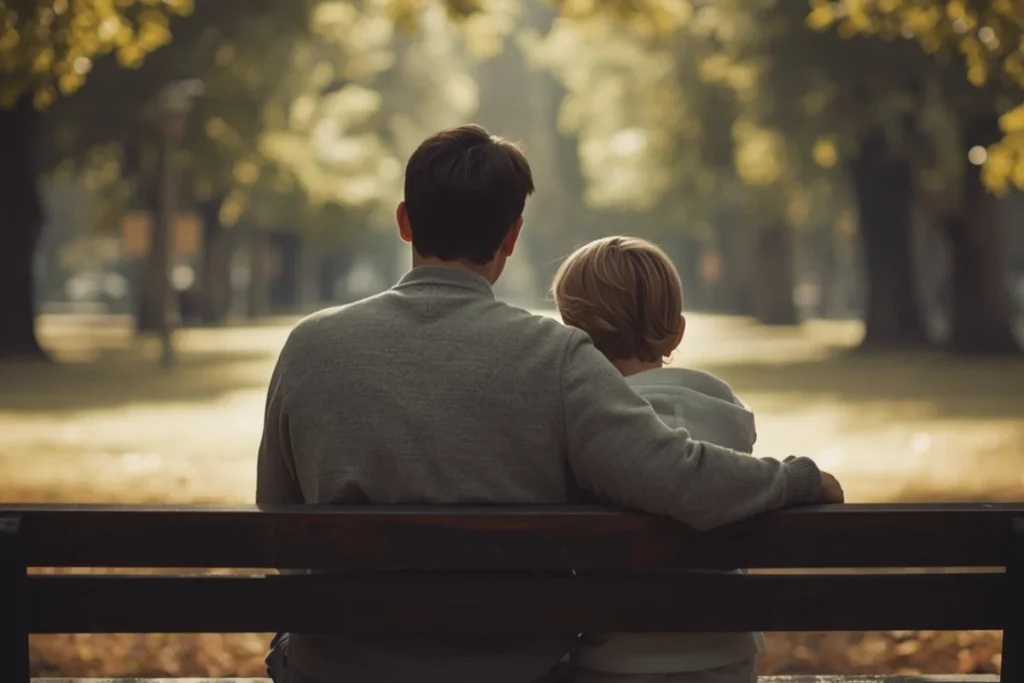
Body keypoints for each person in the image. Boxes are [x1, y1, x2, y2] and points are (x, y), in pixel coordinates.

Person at [256, 124, 844, 683]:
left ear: (405, 222)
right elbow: (679, 478)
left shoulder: (310, 345)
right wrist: (798, 479)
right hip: (512, 670)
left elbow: (278, 522)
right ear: (511, 236)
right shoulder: (555, 355)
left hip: (337, 667)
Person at [551, 235, 765, 683]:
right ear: (678, 331)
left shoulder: (582, 423)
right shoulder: (725, 410)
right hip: (724, 654)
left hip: (614, 659)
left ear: (573, 335)